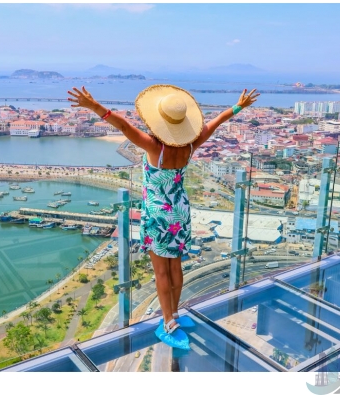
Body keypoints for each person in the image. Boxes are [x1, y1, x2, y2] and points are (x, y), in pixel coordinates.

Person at [67, 84, 259, 347]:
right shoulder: (190, 146)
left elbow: (123, 126)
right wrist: (238, 106)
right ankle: (175, 313)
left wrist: (94, 106)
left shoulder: (154, 147)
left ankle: (168, 322)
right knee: (175, 266)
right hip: (180, 211)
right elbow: (215, 123)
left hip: (159, 215)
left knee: (161, 273)